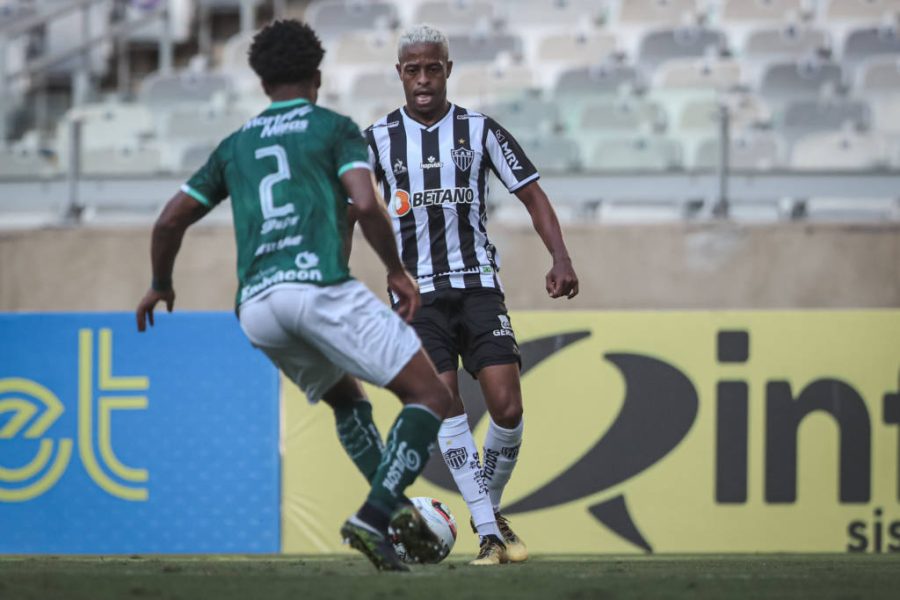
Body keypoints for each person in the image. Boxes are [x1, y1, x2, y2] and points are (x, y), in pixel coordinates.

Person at [134, 19, 453, 572]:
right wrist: (397, 272)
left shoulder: (235, 146)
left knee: (348, 400)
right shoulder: (333, 128)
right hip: (317, 287)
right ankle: (376, 515)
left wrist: (161, 282)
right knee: (430, 396)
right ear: (318, 76)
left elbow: (168, 221)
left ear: (262, 85)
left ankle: (391, 512)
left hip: (256, 308)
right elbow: (366, 203)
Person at [359, 24, 579, 566]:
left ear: (448, 70)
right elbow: (354, 212)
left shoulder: (479, 131)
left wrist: (561, 256)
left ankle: (488, 510)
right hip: (418, 297)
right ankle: (488, 533)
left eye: (433, 67)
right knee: (443, 402)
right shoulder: (377, 139)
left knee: (507, 406)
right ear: (400, 75)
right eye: (413, 70)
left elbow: (533, 194)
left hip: (479, 286)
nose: (424, 79)